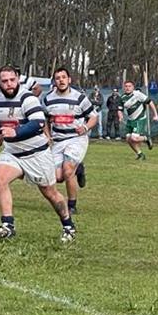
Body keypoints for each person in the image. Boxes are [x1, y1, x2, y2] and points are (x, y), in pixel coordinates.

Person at [0, 66, 76, 242]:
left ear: (18, 78)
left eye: (12, 80)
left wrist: (16, 133)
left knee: (50, 192)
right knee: (0, 180)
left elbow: (38, 123)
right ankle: (7, 226)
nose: (9, 84)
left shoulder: (28, 98)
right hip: (12, 152)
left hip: (36, 154)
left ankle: (68, 226)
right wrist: (0, 134)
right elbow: (7, 119)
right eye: (4, 81)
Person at [42, 67, 97, 214]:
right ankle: (79, 168)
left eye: (63, 77)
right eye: (58, 78)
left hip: (76, 139)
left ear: (69, 80)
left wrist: (85, 127)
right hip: (58, 141)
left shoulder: (79, 97)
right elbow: (44, 120)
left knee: (67, 171)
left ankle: (72, 206)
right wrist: (47, 136)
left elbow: (93, 116)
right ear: (55, 81)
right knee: (57, 177)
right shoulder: (48, 99)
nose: (61, 80)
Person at [121, 80, 157, 160]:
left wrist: (155, 114)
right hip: (130, 120)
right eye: (126, 86)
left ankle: (146, 138)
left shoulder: (138, 94)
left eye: (129, 86)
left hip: (139, 119)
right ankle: (140, 154)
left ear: (133, 87)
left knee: (134, 138)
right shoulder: (122, 97)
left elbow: (150, 102)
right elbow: (119, 109)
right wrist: (120, 116)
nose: (127, 88)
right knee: (128, 139)